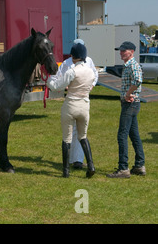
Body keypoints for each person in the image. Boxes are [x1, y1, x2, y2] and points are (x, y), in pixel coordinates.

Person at [47, 43, 96, 178]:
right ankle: (91, 165)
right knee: (83, 137)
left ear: (73, 57)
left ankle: (66, 171)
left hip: (71, 104)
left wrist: (49, 78)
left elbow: (57, 86)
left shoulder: (72, 71)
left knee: (66, 138)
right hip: (85, 105)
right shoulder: (91, 71)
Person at [107, 41, 146, 178]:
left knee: (122, 135)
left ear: (132, 52)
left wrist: (128, 94)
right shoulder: (128, 65)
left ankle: (123, 168)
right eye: (120, 50)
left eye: (124, 50)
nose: (121, 53)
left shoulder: (133, 65)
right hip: (132, 104)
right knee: (133, 134)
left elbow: (137, 81)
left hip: (130, 103)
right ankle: (139, 165)